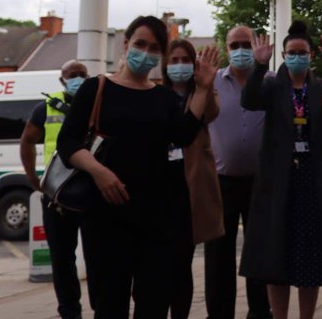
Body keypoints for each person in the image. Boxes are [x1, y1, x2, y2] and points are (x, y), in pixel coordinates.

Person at [56, 16, 216, 319]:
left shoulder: (164, 96)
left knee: (154, 303)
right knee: (109, 304)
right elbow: (68, 142)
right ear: (126, 44)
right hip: (106, 215)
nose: (146, 52)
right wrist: (99, 172)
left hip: (156, 216)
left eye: (154, 48)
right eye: (140, 44)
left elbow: (183, 134)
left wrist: (204, 88)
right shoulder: (96, 88)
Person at [240, 22, 322, 319]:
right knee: (276, 253)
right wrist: (259, 65)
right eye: (292, 53)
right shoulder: (272, 87)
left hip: (313, 178)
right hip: (278, 180)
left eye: (303, 52)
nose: (298, 57)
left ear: (311, 55)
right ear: (283, 55)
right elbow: (249, 100)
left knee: (309, 255)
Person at [205, 25, 272, 319]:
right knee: (218, 255)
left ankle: (260, 312)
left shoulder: (270, 81)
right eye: (235, 45)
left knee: (258, 253)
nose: (241, 50)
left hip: (261, 182)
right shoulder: (212, 82)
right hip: (221, 182)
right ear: (226, 48)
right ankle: (219, 314)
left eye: (247, 43)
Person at [20, 60, 91, 319]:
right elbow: (27, 140)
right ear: (62, 81)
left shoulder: (98, 105)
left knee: (98, 256)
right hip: (56, 195)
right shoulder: (46, 108)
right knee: (62, 260)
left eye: (82, 74)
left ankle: (102, 308)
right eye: (72, 75)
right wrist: (33, 179)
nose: (78, 79)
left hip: (91, 191)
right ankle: (70, 312)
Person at [164, 39, 225, 319]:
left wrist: (206, 85)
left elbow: (212, 113)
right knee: (159, 265)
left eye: (184, 60)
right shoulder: (156, 94)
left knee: (181, 263)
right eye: (173, 60)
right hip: (160, 186)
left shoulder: (201, 92)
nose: (179, 66)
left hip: (191, 188)